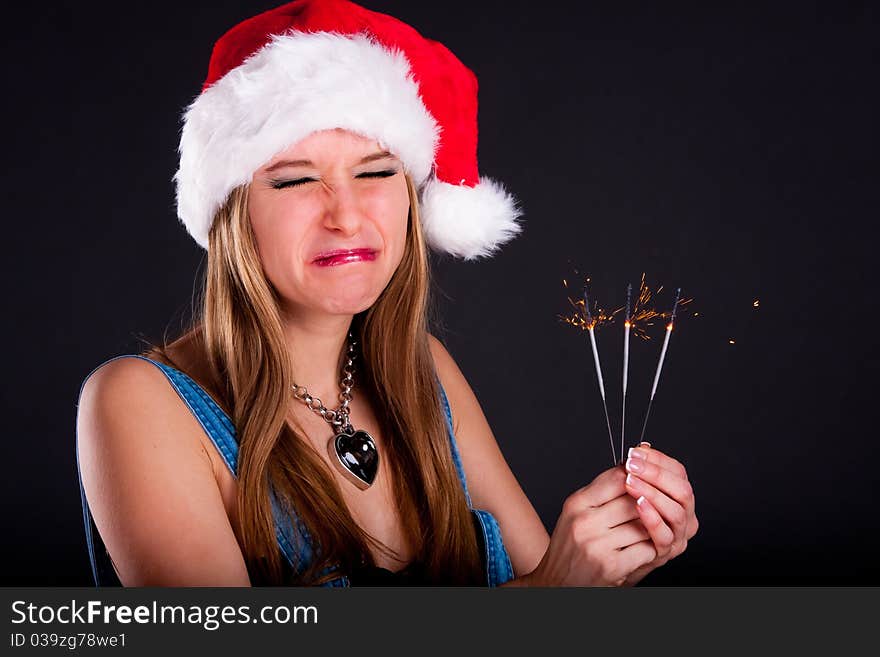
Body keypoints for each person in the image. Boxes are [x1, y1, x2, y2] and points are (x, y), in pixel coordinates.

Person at [75, 0, 697, 587]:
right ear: (234, 213)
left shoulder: (425, 371)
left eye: (375, 172)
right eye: (294, 181)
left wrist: (610, 562)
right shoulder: (136, 403)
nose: (346, 216)